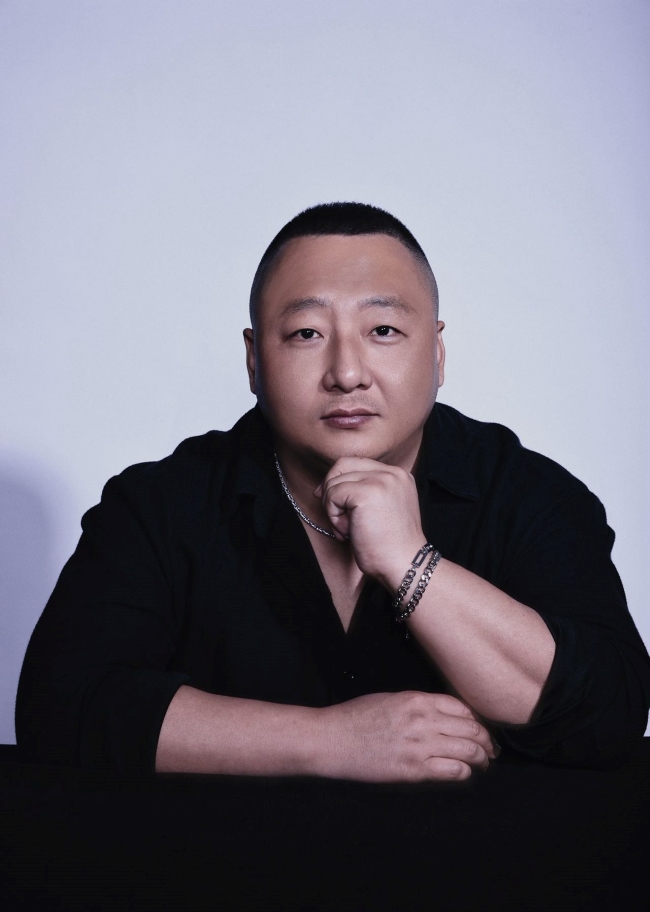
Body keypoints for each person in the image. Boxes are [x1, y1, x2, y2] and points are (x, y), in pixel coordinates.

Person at [16, 202, 650, 780]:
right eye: (306, 334)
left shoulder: (530, 494)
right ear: (253, 359)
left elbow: (611, 713)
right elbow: (60, 706)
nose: (347, 373)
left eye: (383, 331)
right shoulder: (160, 505)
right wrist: (329, 740)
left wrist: (411, 563)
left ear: (437, 352)